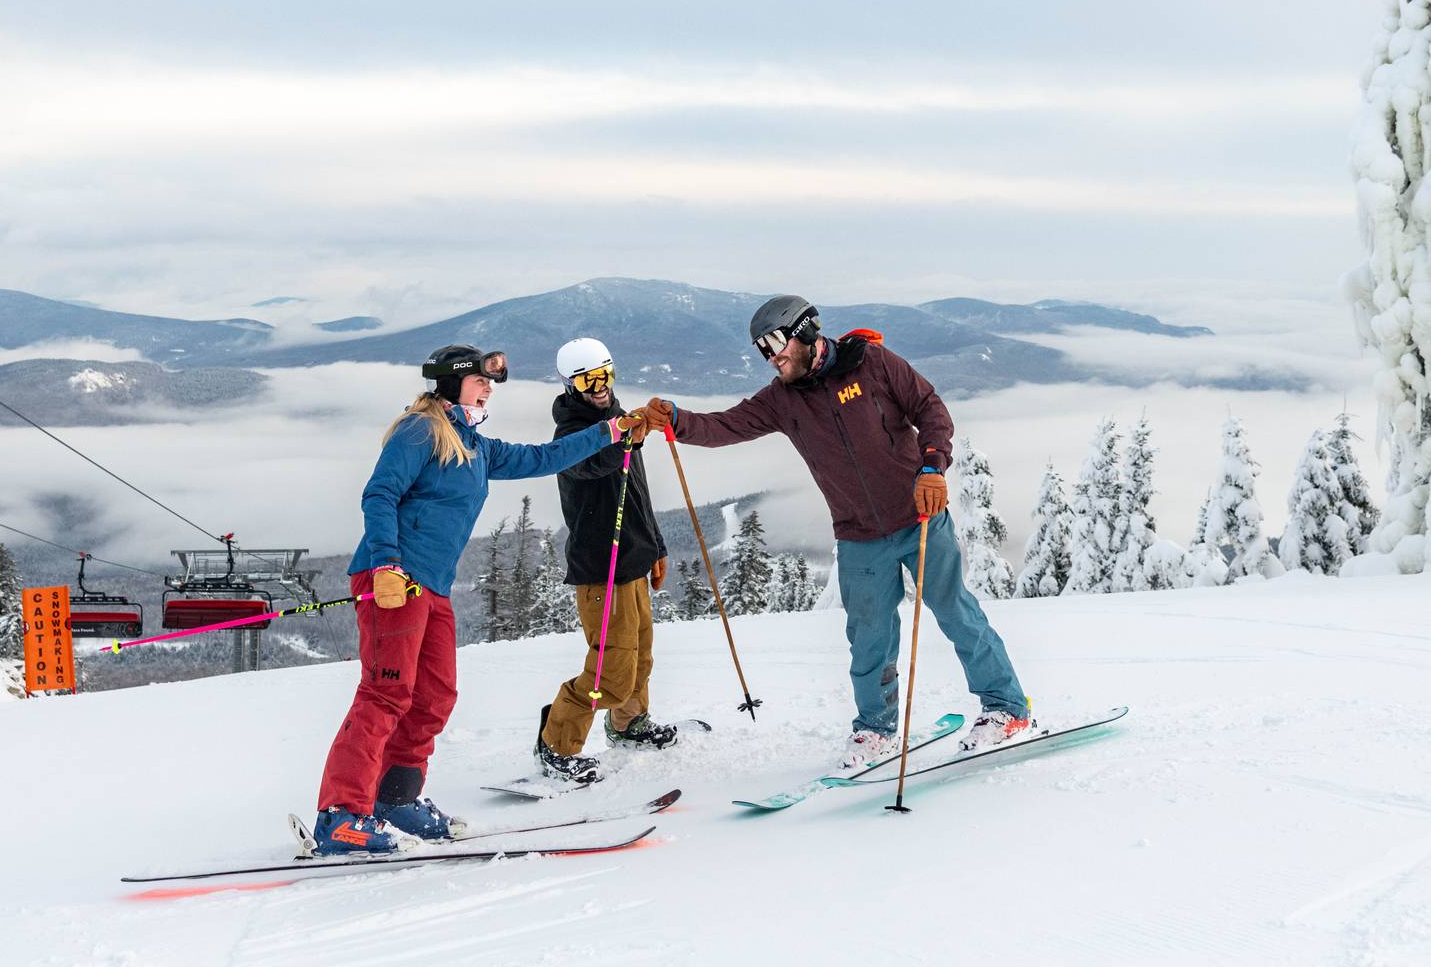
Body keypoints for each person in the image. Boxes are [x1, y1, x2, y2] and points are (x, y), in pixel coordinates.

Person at [628, 296, 1030, 770]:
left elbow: (930, 408)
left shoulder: (874, 363)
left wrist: (933, 466)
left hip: (919, 515)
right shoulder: (783, 398)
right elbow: (726, 426)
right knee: (869, 638)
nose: (771, 357)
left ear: (805, 333)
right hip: (857, 534)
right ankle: (874, 731)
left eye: (776, 344)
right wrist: (676, 419)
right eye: (762, 350)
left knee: (955, 613)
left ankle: (1006, 708)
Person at [310, 344, 649, 856]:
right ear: (451, 383)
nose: (489, 388)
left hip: (433, 586)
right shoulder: (419, 431)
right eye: (480, 380)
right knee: (385, 695)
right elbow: (379, 494)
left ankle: (395, 797)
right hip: (394, 581)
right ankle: (341, 816)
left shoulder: (475, 445)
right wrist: (384, 564)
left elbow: (544, 457)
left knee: (435, 696)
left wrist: (612, 431)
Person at [534, 338, 676, 786]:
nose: (599, 386)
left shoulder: (619, 419)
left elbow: (637, 491)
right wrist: (624, 438)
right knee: (609, 672)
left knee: (641, 658)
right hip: (602, 566)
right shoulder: (570, 434)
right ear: (570, 385)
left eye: (605, 375)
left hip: (634, 557)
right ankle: (556, 745)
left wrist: (656, 546)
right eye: (587, 379)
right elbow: (591, 464)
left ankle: (628, 723)